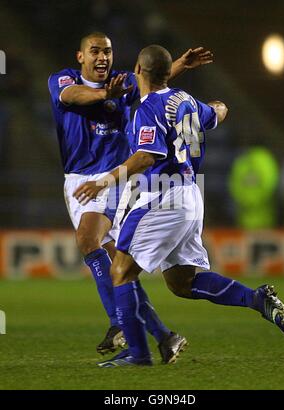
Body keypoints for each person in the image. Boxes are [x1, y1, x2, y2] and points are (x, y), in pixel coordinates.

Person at [74, 44, 284, 367]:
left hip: (160, 197)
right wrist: (218, 107)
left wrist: (103, 180)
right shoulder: (185, 101)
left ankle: (138, 354)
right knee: (182, 282)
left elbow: (147, 155)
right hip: (190, 195)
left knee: (119, 272)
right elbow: (217, 112)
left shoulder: (147, 108)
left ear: (138, 69)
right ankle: (256, 299)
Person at [48, 32, 213, 362]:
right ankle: (164, 336)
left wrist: (179, 63)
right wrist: (103, 95)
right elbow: (74, 96)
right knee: (118, 271)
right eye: (95, 51)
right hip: (79, 181)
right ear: (81, 57)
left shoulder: (124, 83)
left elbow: (152, 79)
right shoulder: (62, 79)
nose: (102, 57)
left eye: (107, 51)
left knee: (87, 240)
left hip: (116, 179)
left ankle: (117, 325)